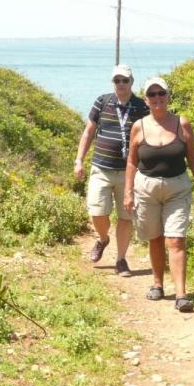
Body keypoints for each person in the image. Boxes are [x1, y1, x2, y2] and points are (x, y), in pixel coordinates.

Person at [123, 76, 194, 312]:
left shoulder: (182, 123)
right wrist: (128, 192)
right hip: (146, 188)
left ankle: (181, 294)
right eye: (152, 94)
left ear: (168, 97)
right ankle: (157, 284)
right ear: (146, 100)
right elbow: (131, 161)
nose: (157, 98)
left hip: (177, 188)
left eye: (161, 94)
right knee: (155, 237)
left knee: (176, 239)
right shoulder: (139, 126)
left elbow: (193, 158)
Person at [74, 64, 149, 276]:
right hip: (101, 168)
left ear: (132, 82)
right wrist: (79, 160)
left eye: (125, 80)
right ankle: (103, 239)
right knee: (97, 212)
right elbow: (89, 132)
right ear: (112, 83)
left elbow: (149, 134)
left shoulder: (141, 107)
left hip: (129, 173)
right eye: (117, 80)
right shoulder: (102, 101)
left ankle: (121, 260)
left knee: (126, 217)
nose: (121, 84)